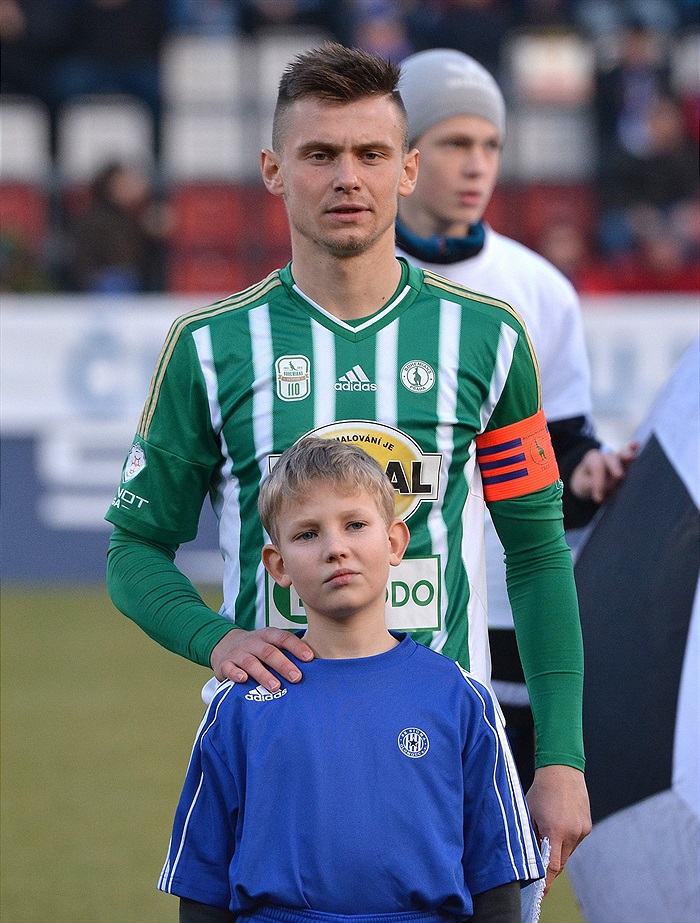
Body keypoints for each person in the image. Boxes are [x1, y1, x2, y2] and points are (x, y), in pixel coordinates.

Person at [105, 42, 590, 895]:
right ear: (272, 169)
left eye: (370, 155)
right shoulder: (210, 348)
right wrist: (216, 638)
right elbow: (133, 548)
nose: (346, 178)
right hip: (275, 747)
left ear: (406, 170)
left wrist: (560, 759)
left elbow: (539, 554)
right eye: (319, 155)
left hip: (452, 747)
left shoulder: (489, 337)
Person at [159, 436, 545, 922]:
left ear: (394, 542)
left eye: (355, 525)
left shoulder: (460, 698)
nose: (335, 548)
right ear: (277, 566)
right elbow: (202, 884)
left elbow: (496, 877)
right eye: (307, 535)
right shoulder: (240, 704)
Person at [394, 48, 636, 795]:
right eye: (455, 143)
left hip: (508, 609)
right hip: (379, 607)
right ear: (404, 154)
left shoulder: (540, 290)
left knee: (505, 868)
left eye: (490, 145)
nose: (477, 165)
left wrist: (590, 476)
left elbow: (561, 456)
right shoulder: (342, 285)